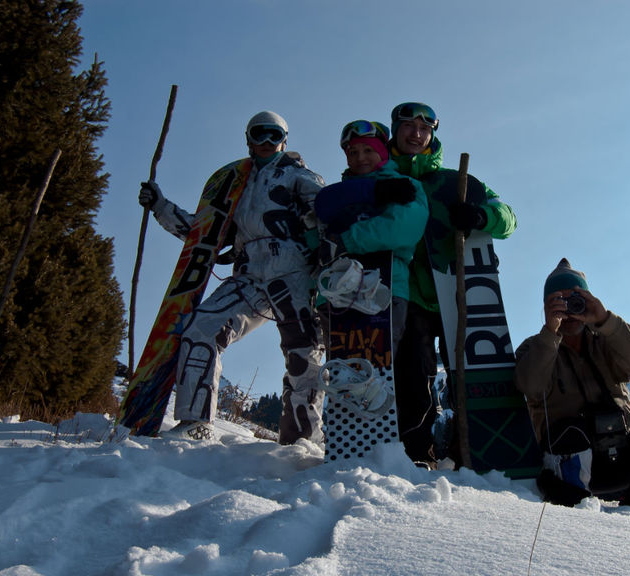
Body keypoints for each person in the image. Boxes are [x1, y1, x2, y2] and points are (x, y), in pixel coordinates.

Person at [138, 110, 326, 443]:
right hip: (250, 273)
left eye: (273, 135)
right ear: (248, 138)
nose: (266, 142)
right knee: (201, 329)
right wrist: (161, 207)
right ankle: (195, 422)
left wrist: (327, 270)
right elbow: (205, 233)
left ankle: (303, 440)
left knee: (304, 355)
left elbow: (327, 220)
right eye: (258, 134)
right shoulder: (234, 182)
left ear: (285, 139)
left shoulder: (300, 177)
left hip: (294, 272)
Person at [514, 259, 630, 520]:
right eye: (559, 300)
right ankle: (584, 522)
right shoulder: (535, 347)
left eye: (574, 299)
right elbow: (530, 386)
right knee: (572, 435)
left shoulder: (606, 339)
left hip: (620, 448)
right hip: (568, 457)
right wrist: (550, 333)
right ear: (546, 306)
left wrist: (604, 319)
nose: (568, 308)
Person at [388, 101, 516, 466]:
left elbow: (508, 218)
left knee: (470, 371)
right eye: (408, 127)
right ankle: (417, 453)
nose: (416, 134)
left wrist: (480, 215)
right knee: (415, 374)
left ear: (432, 134)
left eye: (424, 128)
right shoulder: (382, 179)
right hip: (409, 293)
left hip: (460, 287)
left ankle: (476, 453)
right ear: (395, 130)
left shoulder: (456, 182)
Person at [315, 120, 428, 356]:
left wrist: (345, 241)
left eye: (368, 150)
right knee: (344, 371)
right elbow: (322, 208)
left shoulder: (407, 187)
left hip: (385, 287)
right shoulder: (338, 194)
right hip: (336, 291)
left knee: (378, 367)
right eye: (353, 152)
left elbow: (401, 229)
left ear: (382, 151)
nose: (360, 158)